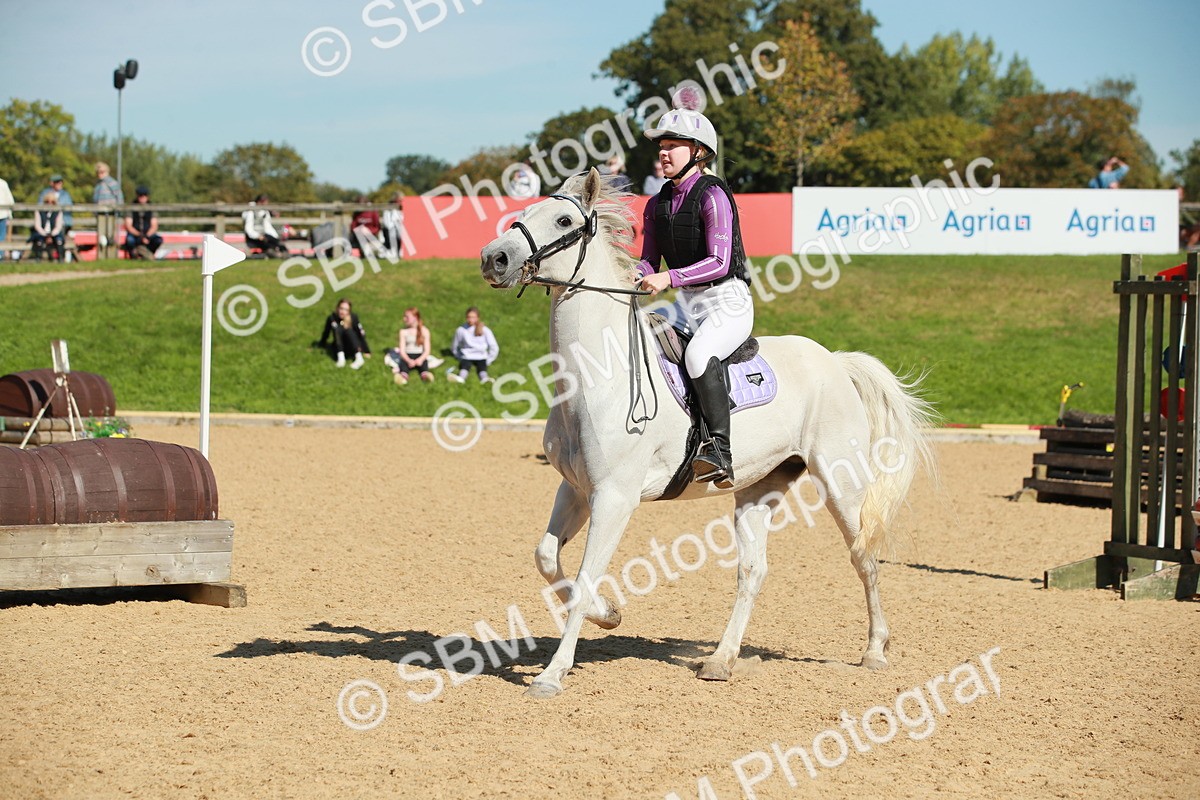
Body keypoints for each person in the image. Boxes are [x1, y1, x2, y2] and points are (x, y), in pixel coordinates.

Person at [635, 92, 753, 489]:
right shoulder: (656, 205)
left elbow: (719, 262)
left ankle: (720, 450)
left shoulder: (714, 194)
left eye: (673, 147)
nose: (663, 154)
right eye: (662, 147)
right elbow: (649, 262)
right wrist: (628, 278)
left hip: (727, 301)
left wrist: (667, 279)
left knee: (701, 354)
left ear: (699, 151)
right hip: (686, 305)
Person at [447, 307, 499, 384]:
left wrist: (489, 359)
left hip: (481, 356)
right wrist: (458, 356)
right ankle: (461, 378)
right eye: (469, 317)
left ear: (478, 318)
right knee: (464, 367)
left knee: (482, 369)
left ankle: (485, 379)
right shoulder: (461, 330)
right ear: (466, 317)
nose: (471, 319)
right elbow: (454, 345)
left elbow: (494, 346)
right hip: (467, 355)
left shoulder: (485, 330)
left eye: (473, 317)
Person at [385, 307, 435, 385]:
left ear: (415, 317)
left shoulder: (424, 331)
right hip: (407, 355)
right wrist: (408, 360)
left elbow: (427, 350)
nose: (404, 319)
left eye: (407, 317)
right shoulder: (403, 332)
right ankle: (402, 378)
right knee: (403, 365)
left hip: (420, 355)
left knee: (424, 365)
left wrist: (420, 359)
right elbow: (402, 350)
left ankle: (426, 376)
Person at [317, 298, 371, 368]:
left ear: (349, 311)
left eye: (346, 310)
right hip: (339, 347)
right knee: (337, 329)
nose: (342, 312)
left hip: (352, 346)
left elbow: (360, 333)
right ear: (337, 308)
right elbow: (326, 333)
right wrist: (321, 344)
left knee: (349, 330)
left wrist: (366, 350)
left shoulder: (353, 317)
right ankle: (341, 358)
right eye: (341, 308)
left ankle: (359, 358)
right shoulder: (332, 318)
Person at [123, 186, 162, 260]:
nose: (142, 198)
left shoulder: (151, 207)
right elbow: (128, 226)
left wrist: (146, 236)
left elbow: (154, 226)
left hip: (148, 234)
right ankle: (134, 255)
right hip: (135, 234)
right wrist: (140, 236)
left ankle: (147, 254)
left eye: (144, 195)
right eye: (140, 195)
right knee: (130, 240)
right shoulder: (131, 207)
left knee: (158, 240)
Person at [30, 191, 66, 261]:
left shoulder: (58, 211)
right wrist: (45, 235)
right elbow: (37, 226)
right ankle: (38, 258)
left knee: (59, 240)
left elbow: (58, 226)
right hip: (42, 232)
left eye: (52, 202)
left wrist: (51, 235)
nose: (50, 204)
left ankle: (60, 259)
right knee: (38, 241)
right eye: (47, 202)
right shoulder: (39, 211)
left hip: (54, 232)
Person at [39, 175, 74, 241]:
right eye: (57, 182)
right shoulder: (45, 193)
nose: (60, 184)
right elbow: (40, 206)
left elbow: (69, 207)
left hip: (63, 221)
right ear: (52, 183)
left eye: (61, 182)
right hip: (48, 221)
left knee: (60, 237)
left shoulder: (65, 194)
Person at [381, 193, 405, 258]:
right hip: (391, 230)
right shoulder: (388, 210)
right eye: (399, 200)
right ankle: (392, 250)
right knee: (393, 231)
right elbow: (387, 223)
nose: (400, 202)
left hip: (402, 230)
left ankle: (401, 250)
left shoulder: (405, 209)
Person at [0, 176, 13, 261]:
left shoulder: (3, 183)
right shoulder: (3, 183)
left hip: (3, 214)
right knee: (1, 237)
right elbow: (11, 201)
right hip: (3, 214)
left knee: (1, 237)